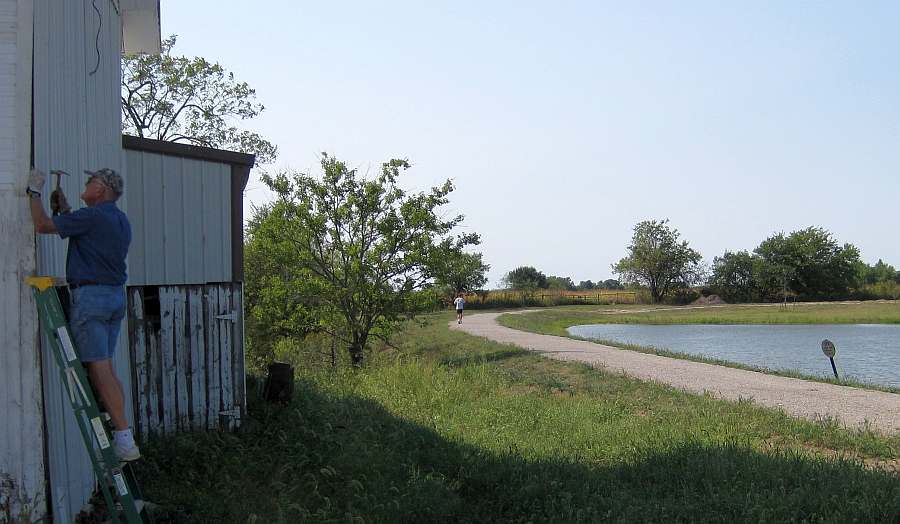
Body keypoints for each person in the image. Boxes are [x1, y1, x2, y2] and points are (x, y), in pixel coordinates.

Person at [27, 167, 140, 461]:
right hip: (114, 297)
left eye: (91, 181)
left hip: (91, 298)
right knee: (106, 367)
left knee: (99, 367)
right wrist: (64, 209)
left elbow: (42, 226)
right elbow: (85, 233)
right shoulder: (119, 219)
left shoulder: (92, 217)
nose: (86, 183)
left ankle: (125, 440)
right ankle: (123, 433)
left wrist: (34, 192)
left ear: (101, 189)